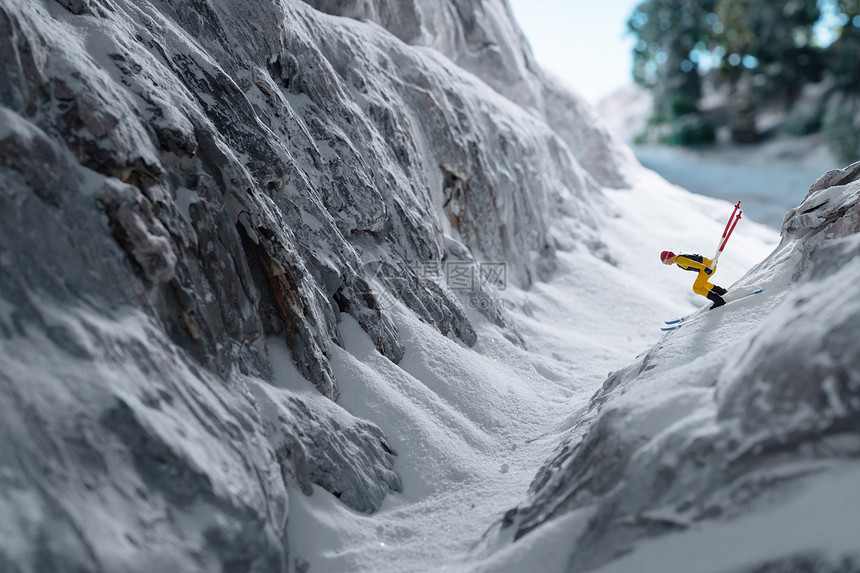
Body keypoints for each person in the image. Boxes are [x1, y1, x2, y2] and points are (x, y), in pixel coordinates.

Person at [660, 251, 727, 309]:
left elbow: (693, 263)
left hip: (708, 267)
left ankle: (718, 301)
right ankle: (721, 292)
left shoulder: (679, 260)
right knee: (702, 284)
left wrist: (705, 268)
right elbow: (696, 257)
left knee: (696, 288)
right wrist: (711, 262)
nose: (666, 264)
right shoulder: (680, 255)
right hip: (710, 264)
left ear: (667, 258)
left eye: (664, 262)